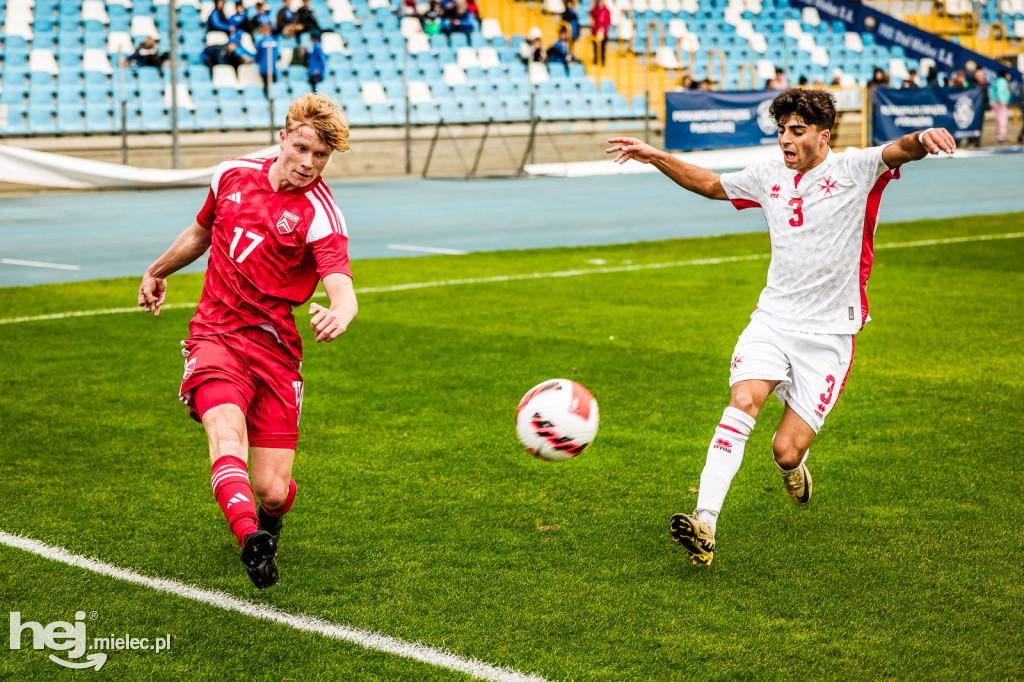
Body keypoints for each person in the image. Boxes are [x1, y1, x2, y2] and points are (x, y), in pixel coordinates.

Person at [605, 88, 956, 566]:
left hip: (829, 336)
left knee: (786, 451)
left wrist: (925, 136)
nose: (784, 141)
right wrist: (655, 156)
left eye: (796, 131)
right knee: (742, 401)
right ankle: (705, 520)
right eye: (780, 131)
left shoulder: (854, 169)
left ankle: (795, 468)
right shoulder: (767, 175)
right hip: (772, 320)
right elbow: (710, 184)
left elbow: (901, 149)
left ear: (822, 136)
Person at [137, 93, 357, 590]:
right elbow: (201, 232)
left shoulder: (321, 214)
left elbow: (340, 284)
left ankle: (269, 520)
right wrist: (156, 270)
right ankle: (250, 537)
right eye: (301, 148)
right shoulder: (231, 173)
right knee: (225, 434)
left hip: (276, 351)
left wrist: (341, 311)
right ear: (282, 137)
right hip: (214, 334)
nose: (308, 164)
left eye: (320, 156)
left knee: (273, 490)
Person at [255, 22, 280, 88]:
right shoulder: (275, 40)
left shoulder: (261, 41)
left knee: (266, 86)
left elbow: (258, 55)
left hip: (264, 66)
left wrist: (256, 60)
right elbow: (278, 54)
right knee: (273, 86)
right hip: (273, 67)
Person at [990, 70, 1010, 145]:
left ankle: (1000, 135)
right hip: (1000, 103)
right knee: (1002, 119)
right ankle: (1001, 136)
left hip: (996, 102)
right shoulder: (1002, 81)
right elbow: (1000, 92)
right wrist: (1003, 101)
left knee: (999, 119)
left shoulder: (997, 81)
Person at [589, 0, 610, 66]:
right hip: (596, 31)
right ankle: (596, 60)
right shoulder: (596, 10)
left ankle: (602, 61)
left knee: (603, 47)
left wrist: (604, 28)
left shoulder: (607, 11)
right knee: (595, 46)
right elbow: (592, 14)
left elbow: (608, 21)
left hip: (604, 32)